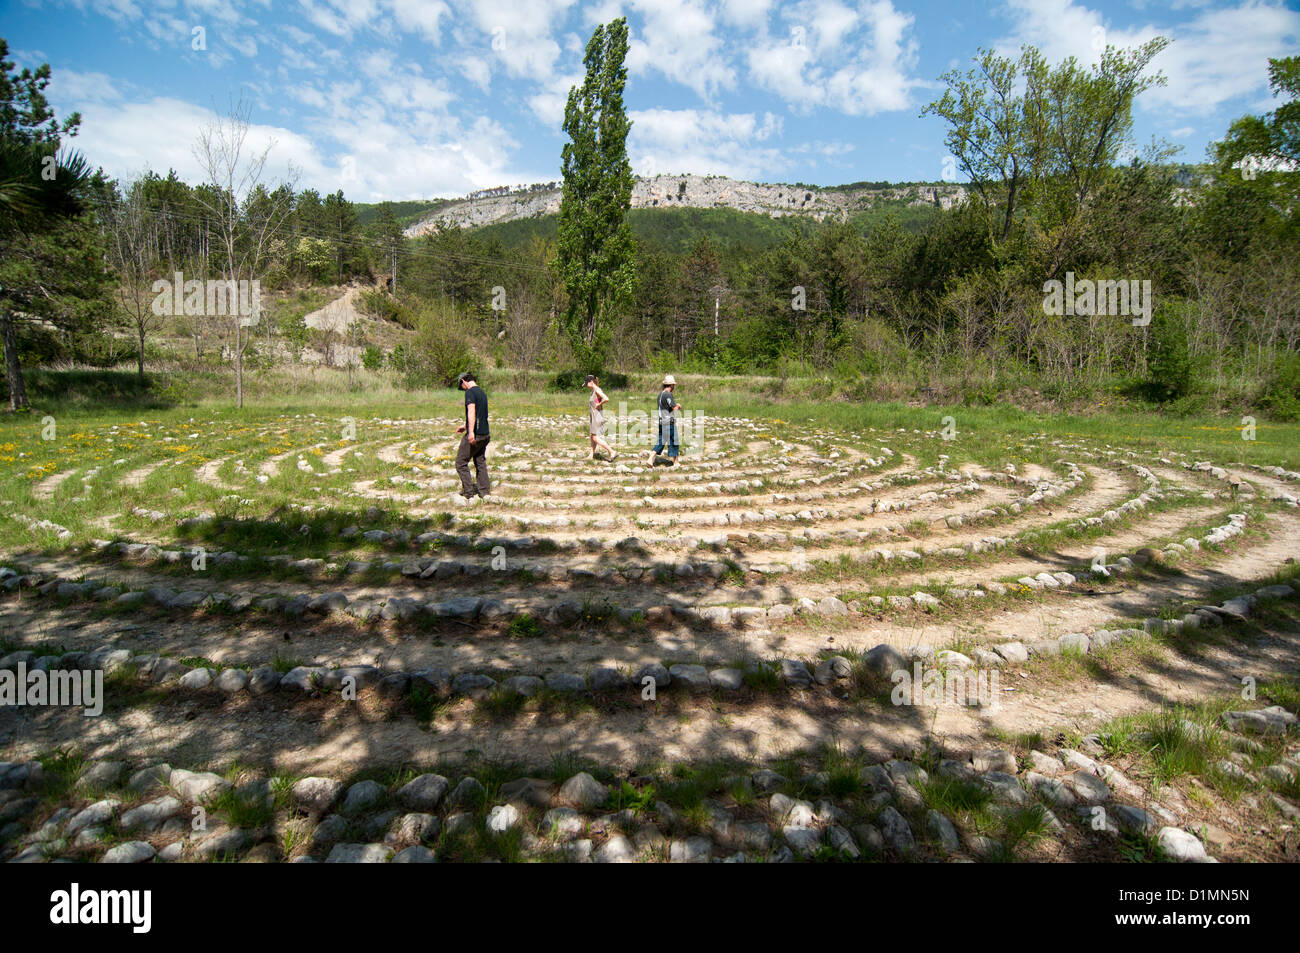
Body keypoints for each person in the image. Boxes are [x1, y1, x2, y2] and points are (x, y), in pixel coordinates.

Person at [454, 371, 490, 498]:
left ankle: (469, 493)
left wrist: (470, 433)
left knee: (460, 462)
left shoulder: (470, 392)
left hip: (476, 434)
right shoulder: (482, 392)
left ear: (463, 381)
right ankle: (485, 492)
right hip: (485, 434)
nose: (463, 390)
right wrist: (465, 426)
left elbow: (472, 412)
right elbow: (481, 413)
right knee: (480, 461)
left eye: (461, 387)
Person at [647, 374, 681, 465]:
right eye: (673, 385)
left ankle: (651, 458)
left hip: (661, 421)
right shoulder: (668, 395)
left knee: (661, 441)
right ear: (671, 385)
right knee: (674, 441)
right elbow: (674, 408)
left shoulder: (660, 395)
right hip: (669, 421)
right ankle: (676, 462)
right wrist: (678, 406)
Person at [585, 374, 617, 461]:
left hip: (597, 417)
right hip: (594, 416)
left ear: (591, 382)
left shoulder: (596, 390)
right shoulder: (594, 390)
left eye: (586, 383)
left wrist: (599, 404)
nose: (586, 386)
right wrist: (598, 403)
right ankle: (591, 455)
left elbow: (606, 398)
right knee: (592, 436)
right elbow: (597, 400)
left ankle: (612, 451)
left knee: (595, 437)